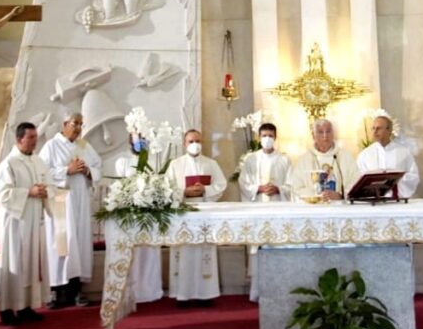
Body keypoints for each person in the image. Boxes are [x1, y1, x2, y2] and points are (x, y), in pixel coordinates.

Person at [39, 112, 102, 308]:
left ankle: (77, 291)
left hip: (80, 199)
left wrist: (87, 171)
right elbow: (42, 172)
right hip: (59, 200)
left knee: (80, 242)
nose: (78, 128)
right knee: (61, 243)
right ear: (65, 123)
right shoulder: (51, 146)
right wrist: (67, 170)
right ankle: (57, 292)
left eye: (81, 125)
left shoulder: (83, 145)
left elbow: (97, 165)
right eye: (75, 124)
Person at [0, 122, 50, 325]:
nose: (35, 141)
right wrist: (29, 192)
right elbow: (4, 194)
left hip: (34, 222)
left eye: (36, 136)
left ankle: (26, 307)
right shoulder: (8, 164)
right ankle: (8, 309)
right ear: (19, 139)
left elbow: (50, 184)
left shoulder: (38, 161)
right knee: (15, 262)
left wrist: (46, 191)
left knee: (30, 265)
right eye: (31, 137)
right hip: (16, 223)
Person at [166, 129, 227, 305]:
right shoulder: (175, 165)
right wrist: (184, 191)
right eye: (191, 141)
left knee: (203, 252)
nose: (195, 144)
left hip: (204, 214)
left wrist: (205, 189)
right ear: (184, 144)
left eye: (198, 141)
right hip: (183, 213)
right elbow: (166, 189)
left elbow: (221, 184)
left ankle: (205, 294)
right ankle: (182, 295)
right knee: (184, 252)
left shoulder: (211, 163)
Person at [237, 122, 292, 301]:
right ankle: (257, 292)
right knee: (257, 248)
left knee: (277, 247)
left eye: (270, 135)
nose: (267, 139)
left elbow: (292, 184)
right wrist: (259, 188)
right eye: (264, 136)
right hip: (258, 209)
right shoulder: (251, 159)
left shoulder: (284, 160)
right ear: (258, 138)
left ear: (275, 137)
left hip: (278, 209)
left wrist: (279, 189)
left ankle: (278, 290)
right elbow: (243, 183)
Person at [113, 133, 164, 303]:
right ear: (130, 141)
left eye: (144, 139)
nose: (141, 142)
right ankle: (132, 290)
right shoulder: (123, 162)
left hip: (149, 214)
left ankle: (151, 290)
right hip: (131, 214)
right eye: (138, 138)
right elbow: (121, 187)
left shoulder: (155, 163)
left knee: (149, 252)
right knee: (133, 253)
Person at [291, 118, 358, 201]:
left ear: (333, 134)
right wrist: (316, 196)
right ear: (313, 135)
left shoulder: (345, 157)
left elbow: (355, 181)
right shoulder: (304, 160)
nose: (325, 135)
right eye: (320, 132)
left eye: (328, 131)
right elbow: (296, 187)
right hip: (314, 209)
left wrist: (341, 195)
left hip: (340, 208)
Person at [356, 113, 420, 198]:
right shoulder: (365, 155)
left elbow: (413, 176)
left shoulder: (403, 152)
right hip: (374, 202)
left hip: (397, 201)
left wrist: (394, 180)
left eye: (378, 128)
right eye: (373, 128)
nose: (375, 132)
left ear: (389, 130)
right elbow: (359, 178)